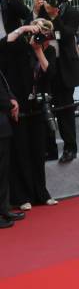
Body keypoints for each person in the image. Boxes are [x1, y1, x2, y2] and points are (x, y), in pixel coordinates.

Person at [7, 19, 58, 210]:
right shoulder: (20, 48)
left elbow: (50, 73)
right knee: (21, 151)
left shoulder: (49, 51)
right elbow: (4, 47)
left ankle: (41, 193)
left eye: (45, 32)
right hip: (19, 106)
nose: (40, 35)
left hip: (39, 106)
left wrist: (38, 50)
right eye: (38, 30)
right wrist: (23, 31)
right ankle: (22, 197)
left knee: (38, 151)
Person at [33, 0, 79, 163]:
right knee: (43, 108)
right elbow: (33, 32)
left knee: (65, 111)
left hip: (65, 68)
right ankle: (50, 149)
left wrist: (54, 16)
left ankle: (70, 148)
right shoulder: (42, 12)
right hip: (45, 67)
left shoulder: (73, 13)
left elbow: (67, 36)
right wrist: (37, 12)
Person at [0, 58, 25, 228]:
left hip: (2, 125)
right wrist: (9, 104)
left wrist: (12, 99)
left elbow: (4, 84)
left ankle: (4, 208)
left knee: (3, 171)